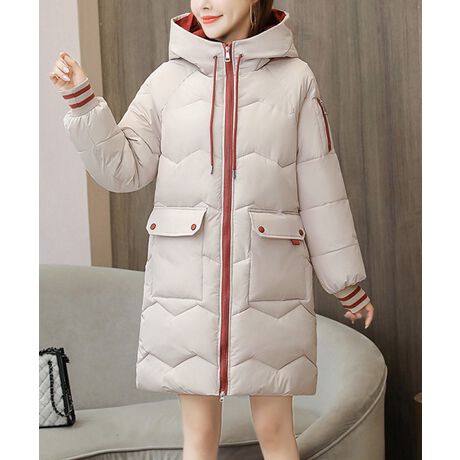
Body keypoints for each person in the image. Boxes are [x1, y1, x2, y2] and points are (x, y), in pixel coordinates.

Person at [49, 1, 375, 459]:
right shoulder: (167, 81)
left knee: (276, 430)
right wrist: (83, 103)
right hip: (186, 289)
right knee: (199, 436)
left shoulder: (295, 80)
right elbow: (123, 170)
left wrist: (345, 283)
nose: (204, 3)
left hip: (270, 288)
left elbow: (320, 185)